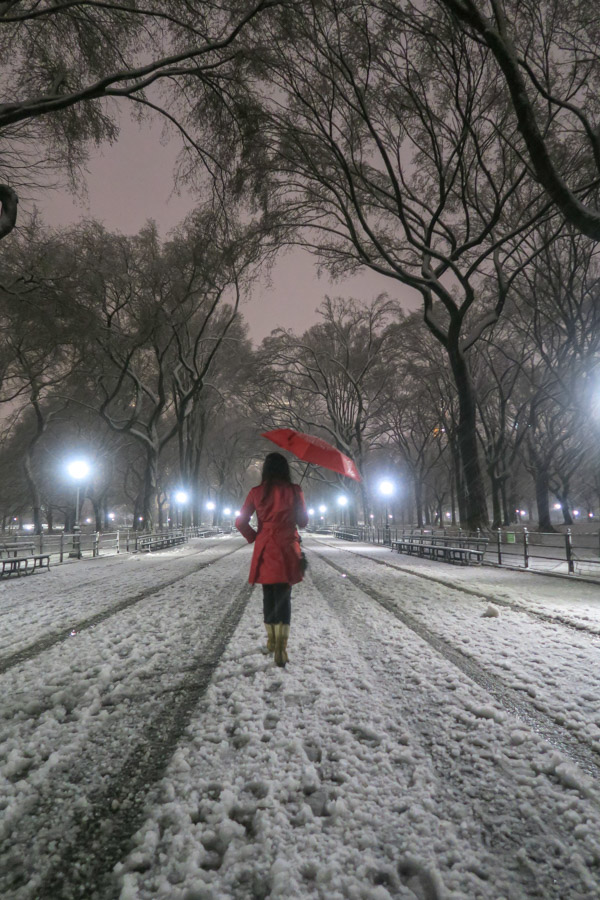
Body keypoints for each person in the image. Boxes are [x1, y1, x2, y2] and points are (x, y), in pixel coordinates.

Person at [235, 452, 309, 667]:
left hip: (266, 547)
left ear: (265, 470)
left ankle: (271, 640)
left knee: (268, 595)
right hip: (287, 548)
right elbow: (303, 521)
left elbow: (240, 521)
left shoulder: (256, 492)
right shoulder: (295, 491)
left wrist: (255, 536)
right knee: (284, 597)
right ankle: (282, 649)